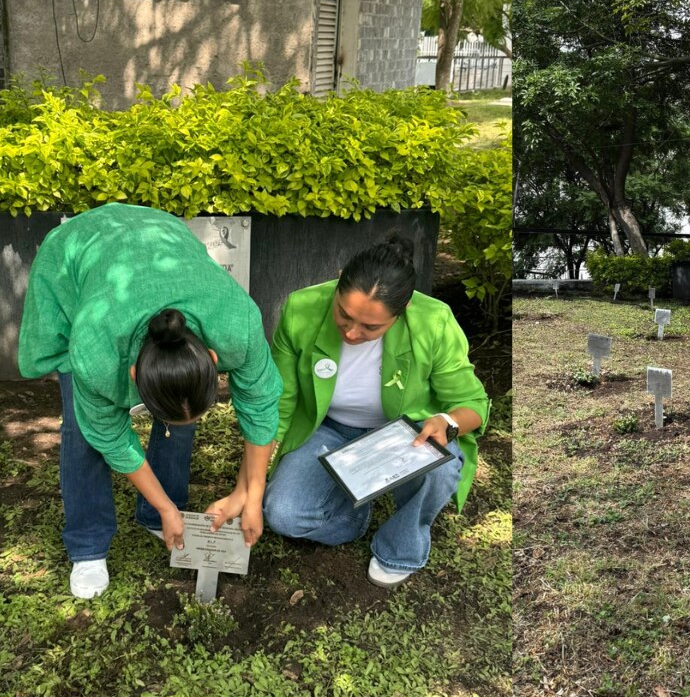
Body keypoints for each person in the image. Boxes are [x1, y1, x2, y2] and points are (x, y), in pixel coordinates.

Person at [18, 204, 283, 599]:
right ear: (133, 376)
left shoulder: (236, 324)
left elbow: (261, 407)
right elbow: (109, 435)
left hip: (159, 236)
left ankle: (159, 511)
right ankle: (88, 545)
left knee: (180, 405)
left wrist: (253, 497)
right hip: (77, 256)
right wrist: (167, 508)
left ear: (212, 359)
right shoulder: (96, 352)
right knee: (83, 428)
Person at [263, 234, 489, 587]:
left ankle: (399, 548)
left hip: (404, 432)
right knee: (284, 514)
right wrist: (251, 481)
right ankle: (355, 515)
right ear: (338, 282)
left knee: (440, 467)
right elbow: (281, 401)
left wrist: (447, 421)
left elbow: (473, 403)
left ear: (404, 309)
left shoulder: (434, 321)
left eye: (371, 327)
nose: (352, 333)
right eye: (344, 315)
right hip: (328, 428)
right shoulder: (301, 308)